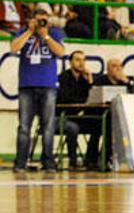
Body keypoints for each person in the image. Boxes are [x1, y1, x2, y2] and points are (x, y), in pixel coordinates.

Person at [10, 9, 65, 172]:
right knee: (24, 126)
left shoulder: (53, 34)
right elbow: (13, 48)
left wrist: (45, 35)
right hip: (27, 85)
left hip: (47, 85)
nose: (41, 23)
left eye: (44, 20)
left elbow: (60, 52)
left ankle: (48, 162)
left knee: (48, 126)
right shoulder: (23, 32)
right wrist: (29, 31)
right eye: (38, 20)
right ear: (31, 20)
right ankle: (20, 162)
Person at [57, 50, 101, 170]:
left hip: (78, 116)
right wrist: (83, 102)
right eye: (77, 60)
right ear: (70, 62)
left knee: (97, 125)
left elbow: (92, 98)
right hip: (62, 116)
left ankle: (91, 160)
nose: (81, 63)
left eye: (83, 60)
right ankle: (73, 161)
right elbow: (65, 98)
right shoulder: (63, 77)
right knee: (72, 128)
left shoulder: (83, 80)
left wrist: (90, 81)